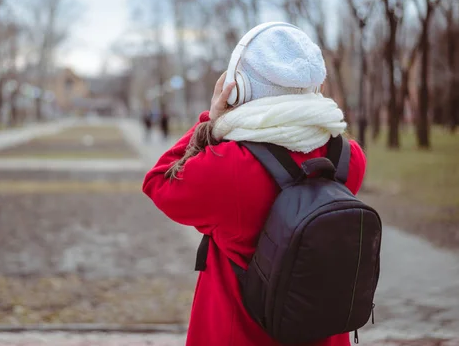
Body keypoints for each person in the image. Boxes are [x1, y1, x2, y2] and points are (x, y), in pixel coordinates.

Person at [142, 22, 366, 346]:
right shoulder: (348, 156)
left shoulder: (227, 166)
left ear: (240, 87)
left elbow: (159, 181)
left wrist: (212, 122)